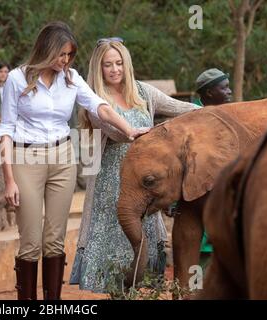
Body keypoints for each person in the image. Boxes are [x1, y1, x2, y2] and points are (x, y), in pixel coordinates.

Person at [0, 22, 149, 300]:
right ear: (46, 49)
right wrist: (8, 180)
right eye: (61, 54)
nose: (65, 61)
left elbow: (98, 106)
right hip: (25, 158)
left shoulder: (71, 78)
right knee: (31, 242)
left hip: (64, 157)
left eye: (69, 55)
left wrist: (129, 130)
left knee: (54, 240)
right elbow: (6, 129)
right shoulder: (17, 79)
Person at [69, 38, 200, 293]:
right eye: (108, 65)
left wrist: (208, 112)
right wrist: (149, 132)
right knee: (115, 248)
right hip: (111, 183)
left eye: (119, 63)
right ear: (99, 68)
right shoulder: (94, 100)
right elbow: (116, 133)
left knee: (145, 245)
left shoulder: (143, 92)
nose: (115, 69)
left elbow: (177, 107)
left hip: (144, 182)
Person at [195, 68, 232, 271]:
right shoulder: (190, 116)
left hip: (223, 193)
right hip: (198, 195)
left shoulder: (230, 115)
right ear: (209, 93)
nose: (230, 92)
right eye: (224, 88)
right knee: (199, 249)